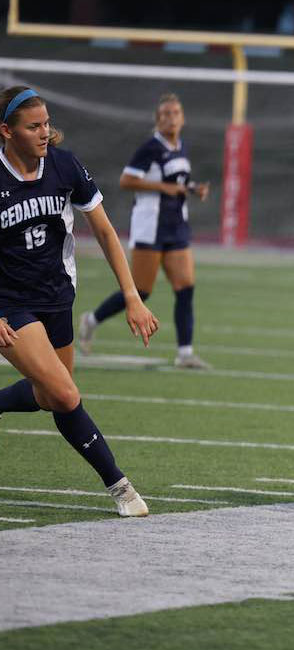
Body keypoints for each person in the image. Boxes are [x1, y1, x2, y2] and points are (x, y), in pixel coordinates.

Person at [0, 86, 159, 516]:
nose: (44, 133)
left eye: (46, 123)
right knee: (68, 395)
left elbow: (106, 232)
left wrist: (132, 296)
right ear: (7, 132)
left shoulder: (65, 166)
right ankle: (121, 488)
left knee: (52, 395)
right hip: (10, 305)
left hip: (57, 298)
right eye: (33, 127)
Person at [78, 93, 211, 369]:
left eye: (175, 113)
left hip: (176, 226)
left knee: (185, 288)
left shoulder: (181, 146)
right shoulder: (150, 147)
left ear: (183, 117)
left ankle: (185, 353)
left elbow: (176, 182)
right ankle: (91, 320)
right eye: (164, 114)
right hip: (151, 227)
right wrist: (165, 188)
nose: (170, 118)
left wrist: (193, 188)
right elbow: (126, 180)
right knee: (141, 291)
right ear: (157, 120)